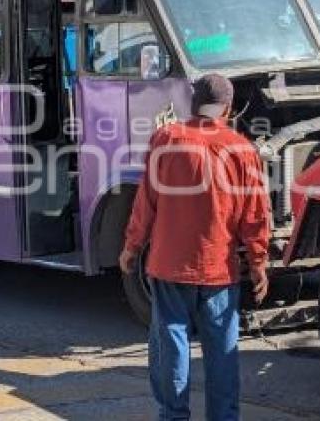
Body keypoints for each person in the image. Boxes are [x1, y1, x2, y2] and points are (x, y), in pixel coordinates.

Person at [119, 74, 271, 421]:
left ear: (191, 103)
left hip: (169, 268)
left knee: (171, 346)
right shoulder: (242, 150)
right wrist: (259, 263)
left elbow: (146, 203)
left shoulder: (166, 139)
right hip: (219, 271)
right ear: (229, 109)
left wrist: (131, 247)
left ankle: (174, 416)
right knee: (222, 353)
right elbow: (255, 215)